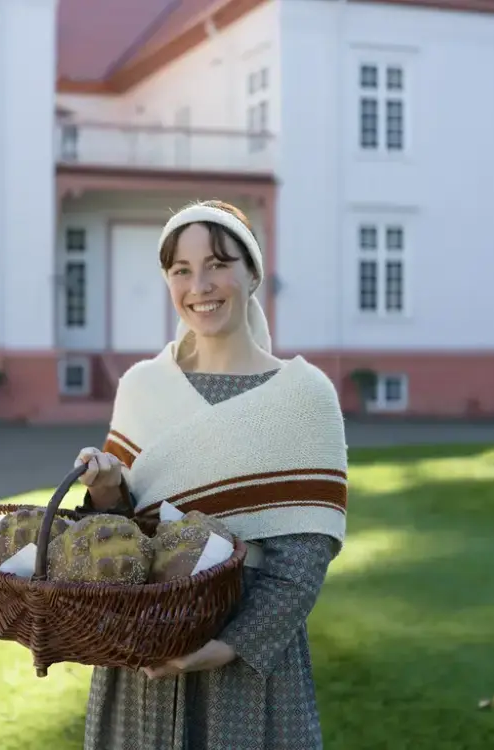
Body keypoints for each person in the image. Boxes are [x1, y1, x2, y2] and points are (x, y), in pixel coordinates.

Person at [72, 199, 348, 750]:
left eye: (219, 263)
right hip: (144, 652)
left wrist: (228, 646)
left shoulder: (303, 397)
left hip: (249, 662)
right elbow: (116, 543)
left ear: (252, 273)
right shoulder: (142, 388)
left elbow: (305, 557)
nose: (200, 283)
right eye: (181, 269)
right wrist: (106, 495)